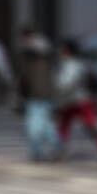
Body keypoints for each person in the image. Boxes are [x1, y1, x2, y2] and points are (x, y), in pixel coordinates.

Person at [54, 39, 97, 159]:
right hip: (79, 100)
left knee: (85, 126)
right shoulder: (78, 63)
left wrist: (54, 87)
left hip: (76, 100)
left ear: (67, 50)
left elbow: (65, 83)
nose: (59, 51)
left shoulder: (72, 64)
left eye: (62, 48)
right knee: (84, 126)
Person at [17, 28, 60, 161]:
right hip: (47, 93)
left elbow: (24, 78)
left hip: (35, 95)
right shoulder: (49, 55)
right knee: (47, 125)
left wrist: (21, 94)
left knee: (34, 127)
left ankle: (37, 153)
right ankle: (57, 148)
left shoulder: (29, 57)